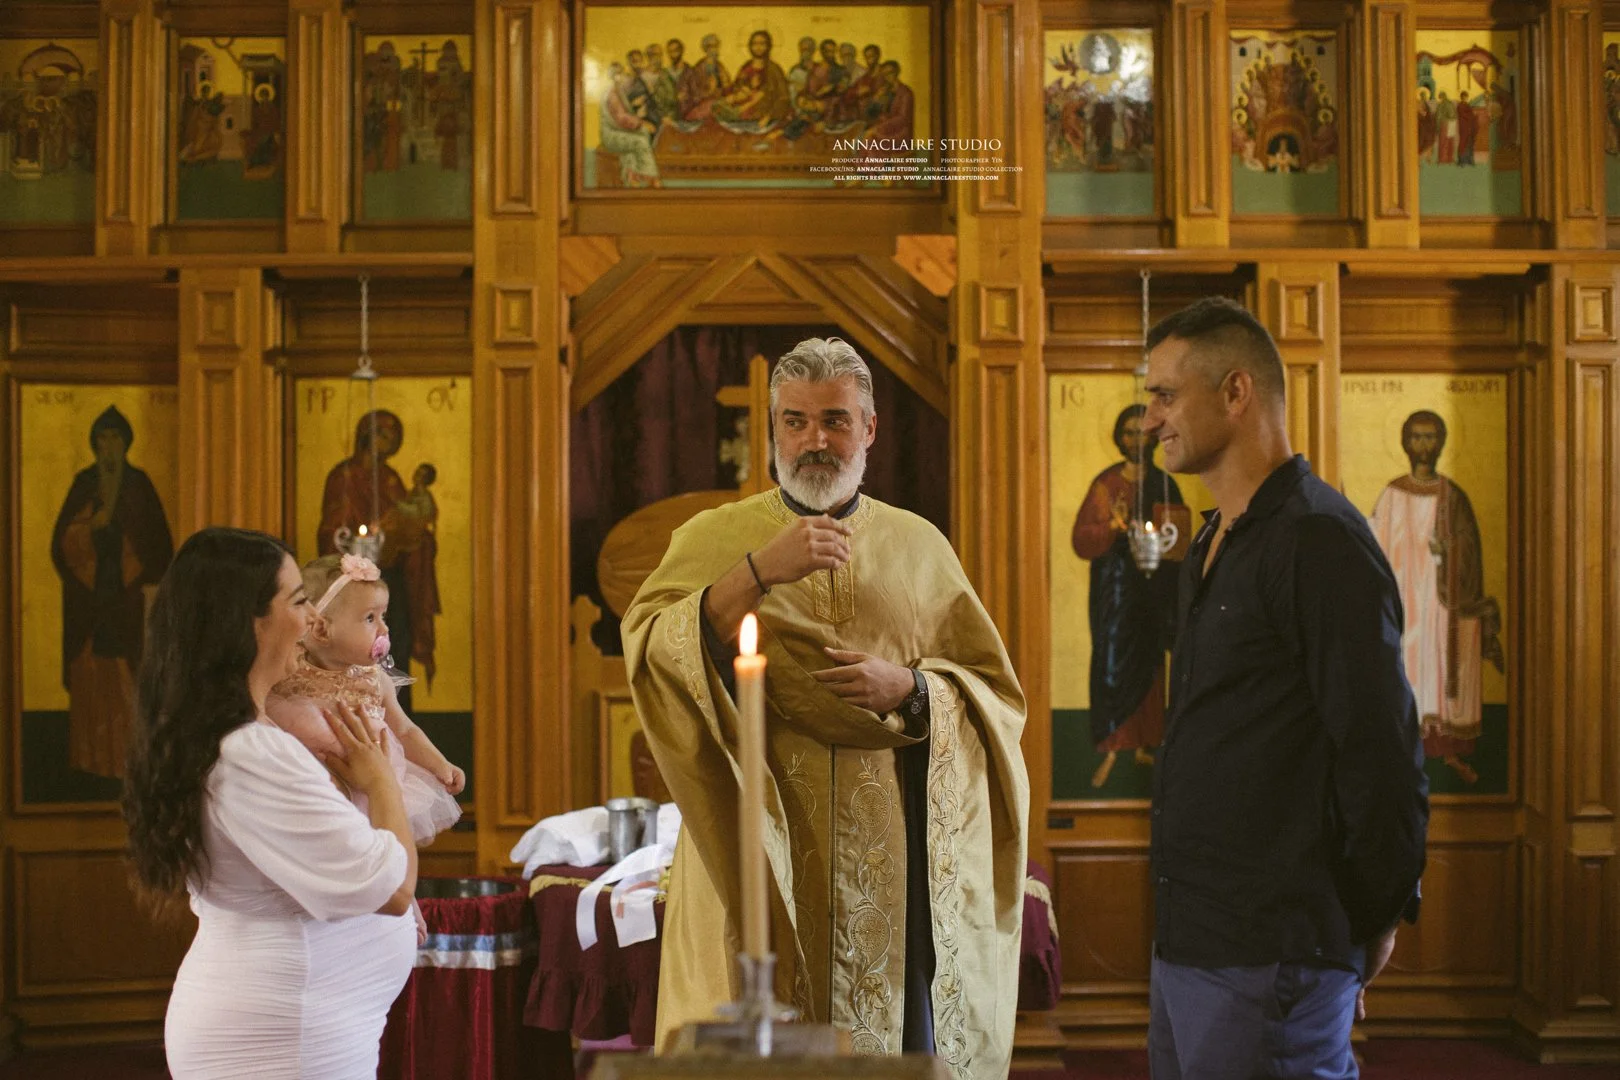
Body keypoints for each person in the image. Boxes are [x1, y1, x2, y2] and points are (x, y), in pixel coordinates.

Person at [623, 337, 1028, 1078]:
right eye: (796, 422)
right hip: (755, 827)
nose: (816, 441)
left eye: (836, 421)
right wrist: (755, 572)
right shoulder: (711, 537)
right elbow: (651, 648)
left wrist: (909, 690)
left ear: (869, 429)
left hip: (892, 843)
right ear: (772, 429)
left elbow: (993, 693)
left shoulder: (919, 546)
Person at [1140, 298, 1428, 1080]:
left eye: (1165, 394)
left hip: (1270, 946)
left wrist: (1374, 912)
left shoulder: (1317, 537)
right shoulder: (1217, 538)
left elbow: (1380, 746)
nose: (1150, 417)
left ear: (1236, 392)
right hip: (1194, 938)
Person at [123, 527, 419, 1079]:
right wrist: (381, 782)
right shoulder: (253, 753)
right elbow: (393, 889)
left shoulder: (233, 737)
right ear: (251, 623)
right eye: (299, 601)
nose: (312, 620)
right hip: (286, 1037)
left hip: (302, 1023)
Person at [265, 553, 463, 844]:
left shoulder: (374, 679)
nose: (384, 628)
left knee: (375, 854)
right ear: (322, 628)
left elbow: (405, 730)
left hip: (374, 793)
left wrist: (439, 764)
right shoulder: (289, 673)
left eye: (383, 616)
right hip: (312, 794)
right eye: (370, 618)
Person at [1369, 411, 1502, 785]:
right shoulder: (1393, 493)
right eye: (1416, 438)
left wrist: (1449, 550)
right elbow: (1373, 539)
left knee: (1439, 666)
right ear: (1405, 443)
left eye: (1430, 438)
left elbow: (1470, 551)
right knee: (1405, 663)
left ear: (1441, 443)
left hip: (1441, 601)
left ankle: (1448, 753)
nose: (1423, 446)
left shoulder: (1452, 495)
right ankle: (1401, 748)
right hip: (1404, 597)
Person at [51, 405, 174, 778]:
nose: (108, 448)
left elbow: (160, 548)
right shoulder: (84, 484)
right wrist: (91, 528)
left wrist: (124, 542)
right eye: (101, 439)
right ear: (93, 445)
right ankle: (88, 764)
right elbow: (60, 545)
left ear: (125, 444)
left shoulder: (138, 486)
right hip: (88, 602)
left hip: (128, 602)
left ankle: (129, 765)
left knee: (128, 681)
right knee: (91, 676)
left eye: (115, 439)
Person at [1069, 404, 1186, 788]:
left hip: (1153, 591)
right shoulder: (1106, 484)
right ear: (1121, 438)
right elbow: (1082, 539)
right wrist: (1113, 530)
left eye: (1144, 433)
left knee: (1151, 662)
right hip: (1115, 591)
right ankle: (1112, 746)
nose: (1137, 440)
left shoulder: (1166, 482)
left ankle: (1146, 743)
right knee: (1112, 660)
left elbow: (1179, 536)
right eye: (1130, 433)